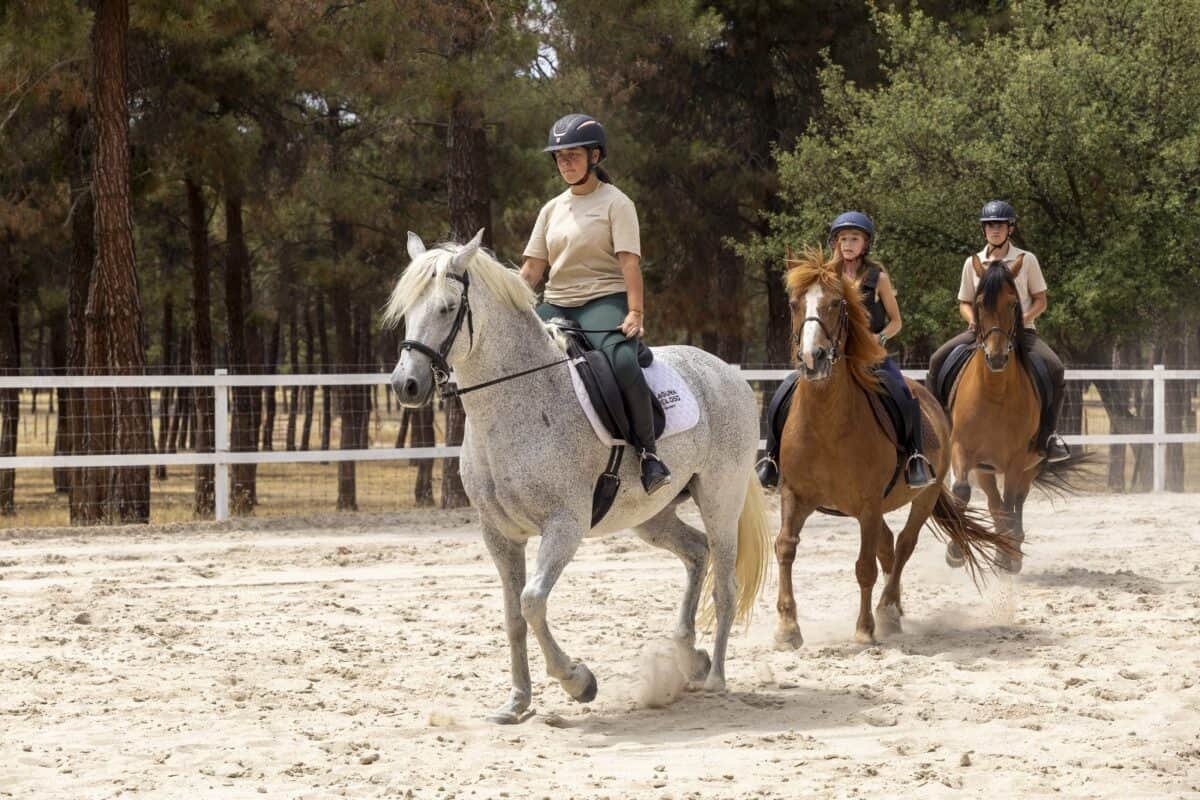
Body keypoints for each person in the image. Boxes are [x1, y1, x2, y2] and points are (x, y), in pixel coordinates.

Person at [518, 113, 671, 494]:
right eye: (559, 157)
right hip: (556, 303)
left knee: (621, 361)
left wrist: (635, 312)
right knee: (512, 357)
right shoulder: (551, 209)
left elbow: (629, 262)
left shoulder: (617, 204)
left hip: (604, 298)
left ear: (595, 156)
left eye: (573, 155)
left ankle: (649, 453)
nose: (565, 163)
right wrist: (513, 304)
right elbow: (533, 268)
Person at [756, 211, 935, 489]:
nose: (848, 244)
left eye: (855, 239)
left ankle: (915, 457)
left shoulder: (878, 278)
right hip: (829, 355)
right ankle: (771, 460)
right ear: (834, 244)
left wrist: (881, 338)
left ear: (866, 244)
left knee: (904, 393)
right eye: (843, 239)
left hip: (867, 355)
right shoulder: (823, 276)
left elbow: (897, 321)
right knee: (784, 392)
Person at [926, 201, 1070, 463]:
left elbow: (1041, 299)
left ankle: (1049, 435)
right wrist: (972, 320)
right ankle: (937, 429)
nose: (994, 230)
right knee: (937, 360)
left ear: (1009, 228)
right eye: (990, 225)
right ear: (984, 230)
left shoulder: (1026, 260)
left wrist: (1024, 318)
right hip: (981, 332)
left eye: (1000, 225)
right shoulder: (973, 263)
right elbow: (964, 302)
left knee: (1055, 367)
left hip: (1021, 332)